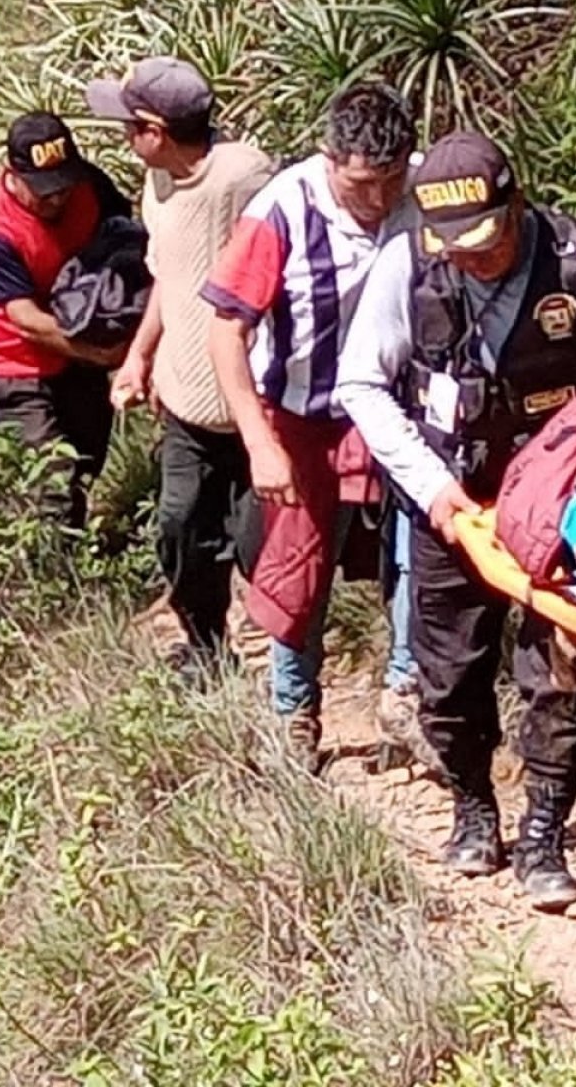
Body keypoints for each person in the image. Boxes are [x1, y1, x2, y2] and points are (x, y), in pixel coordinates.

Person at [337, 131, 576, 911]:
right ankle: (473, 807)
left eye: (486, 239)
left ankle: (546, 826)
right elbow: (362, 383)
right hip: (454, 500)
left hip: (565, 505)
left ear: (516, 203)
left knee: (567, 667)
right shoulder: (406, 265)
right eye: (454, 246)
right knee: (448, 677)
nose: (471, 257)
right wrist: (432, 487)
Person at [203, 82, 421, 761]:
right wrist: (261, 445)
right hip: (302, 412)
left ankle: (407, 691)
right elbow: (224, 332)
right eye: (362, 183)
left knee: (421, 543)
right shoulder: (282, 212)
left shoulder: (421, 192)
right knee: (300, 561)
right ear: (329, 160)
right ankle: (294, 710)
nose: (379, 200)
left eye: (390, 180)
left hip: (398, 406)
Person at [88, 55, 274, 679]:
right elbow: (170, 274)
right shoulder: (157, 183)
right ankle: (204, 644)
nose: (122, 137)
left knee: (257, 542)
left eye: (127, 125)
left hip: (252, 410)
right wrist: (140, 356)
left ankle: (280, 663)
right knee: (178, 527)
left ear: (154, 130)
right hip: (185, 403)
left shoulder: (243, 179)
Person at [0, 112, 135, 527]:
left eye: (62, 186)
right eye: (43, 191)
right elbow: (25, 319)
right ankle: (60, 572)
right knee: (54, 480)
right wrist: (99, 353)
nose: (57, 198)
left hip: (76, 347)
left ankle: (80, 541)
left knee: (89, 450)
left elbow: (123, 231)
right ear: (13, 174)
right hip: (20, 366)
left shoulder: (88, 185)